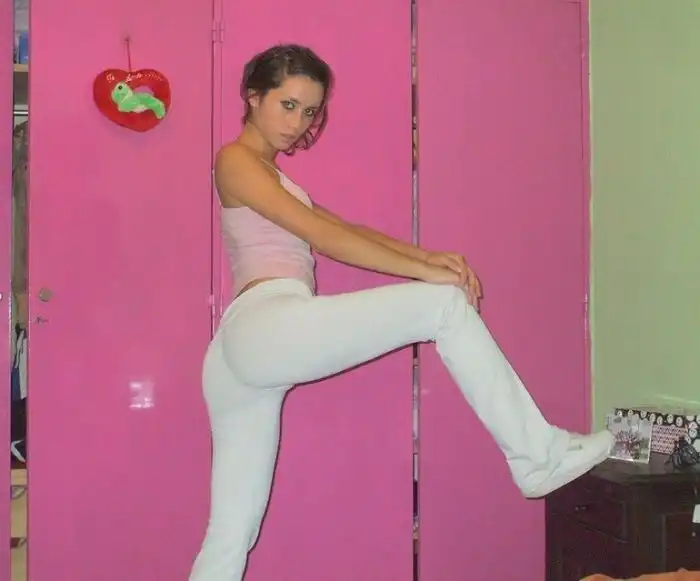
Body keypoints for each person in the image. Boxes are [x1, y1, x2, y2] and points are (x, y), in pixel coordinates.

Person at [188, 43, 614, 581]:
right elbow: (323, 236)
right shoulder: (235, 160)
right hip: (262, 325)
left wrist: (427, 258)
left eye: (310, 111)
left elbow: (345, 229)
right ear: (253, 97)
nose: (298, 123)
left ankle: (539, 455)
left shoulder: (271, 175)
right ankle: (539, 455)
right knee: (444, 306)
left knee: (231, 534)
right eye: (287, 105)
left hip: (241, 354)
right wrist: (427, 275)